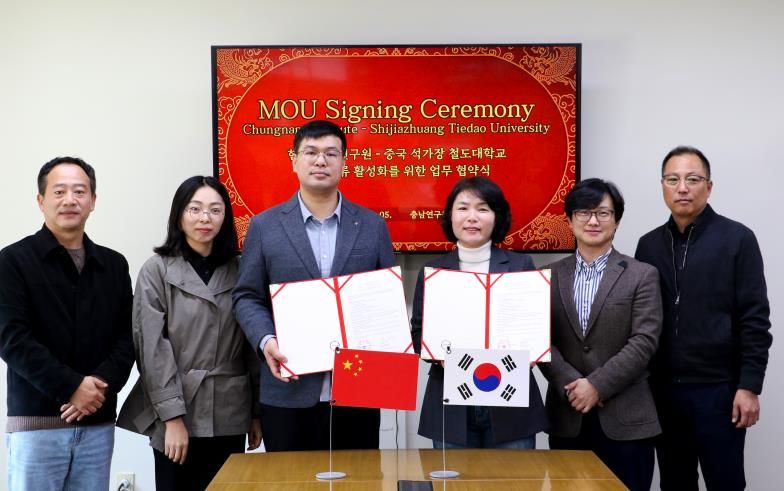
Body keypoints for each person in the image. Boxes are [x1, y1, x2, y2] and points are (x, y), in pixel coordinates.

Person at [232, 120, 395, 451]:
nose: (321, 161)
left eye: (331, 153)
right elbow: (247, 296)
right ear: (294, 160)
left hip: (359, 388)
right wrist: (267, 341)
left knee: (359, 483)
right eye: (311, 152)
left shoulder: (372, 226)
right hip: (288, 388)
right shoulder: (265, 227)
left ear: (344, 163)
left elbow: (387, 302)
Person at [635, 146, 772, 490]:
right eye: (673, 179)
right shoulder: (648, 245)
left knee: (726, 483)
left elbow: (755, 319)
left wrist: (749, 386)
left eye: (693, 179)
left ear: (709, 187)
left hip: (720, 392)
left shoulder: (737, 239)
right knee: (674, 483)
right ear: (663, 186)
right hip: (664, 393)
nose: (682, 187)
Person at [117, 176, 261, 490]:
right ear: (179, 215)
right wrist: (171, 418)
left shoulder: (240, 270)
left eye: (215, 210)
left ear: (225, 218)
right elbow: (152, 349)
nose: (204, 218)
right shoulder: (156, 270)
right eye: (194, 209)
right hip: (177, 407)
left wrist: (255, 412)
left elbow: (252, 346)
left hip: (230, 410)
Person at [0, 156, 134, 490]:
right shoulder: (13, 261)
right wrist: (72, 387)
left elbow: (128, 337)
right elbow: (12, 339)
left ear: (93, 201)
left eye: (79, 191)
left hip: (97, 424)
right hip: (37, 425)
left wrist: (100, 384)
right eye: (59, 191)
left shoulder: (114, 265)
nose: (70, 200)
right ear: (41, 200)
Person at [539, 178, 662, 491]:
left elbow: (644, 341)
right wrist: (572, 385)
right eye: (583, 213)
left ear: (617, 221)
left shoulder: (642, 274)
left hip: (626, 420)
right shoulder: (547, 275)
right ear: (569, 220)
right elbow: (539, 338)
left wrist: (596, 385)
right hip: (568, 417)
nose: (593, 220)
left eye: (603, 213)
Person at [410, 176, 548, 448]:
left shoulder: (521, 265)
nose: (472, 217)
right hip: (451, 399)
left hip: (510, 401)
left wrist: (532, 352)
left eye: (482, 209)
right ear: (450, 216)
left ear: (497, 218)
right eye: (463, 208)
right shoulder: (433, 271)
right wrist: (438, 355)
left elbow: (536, 329)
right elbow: (417, 332)